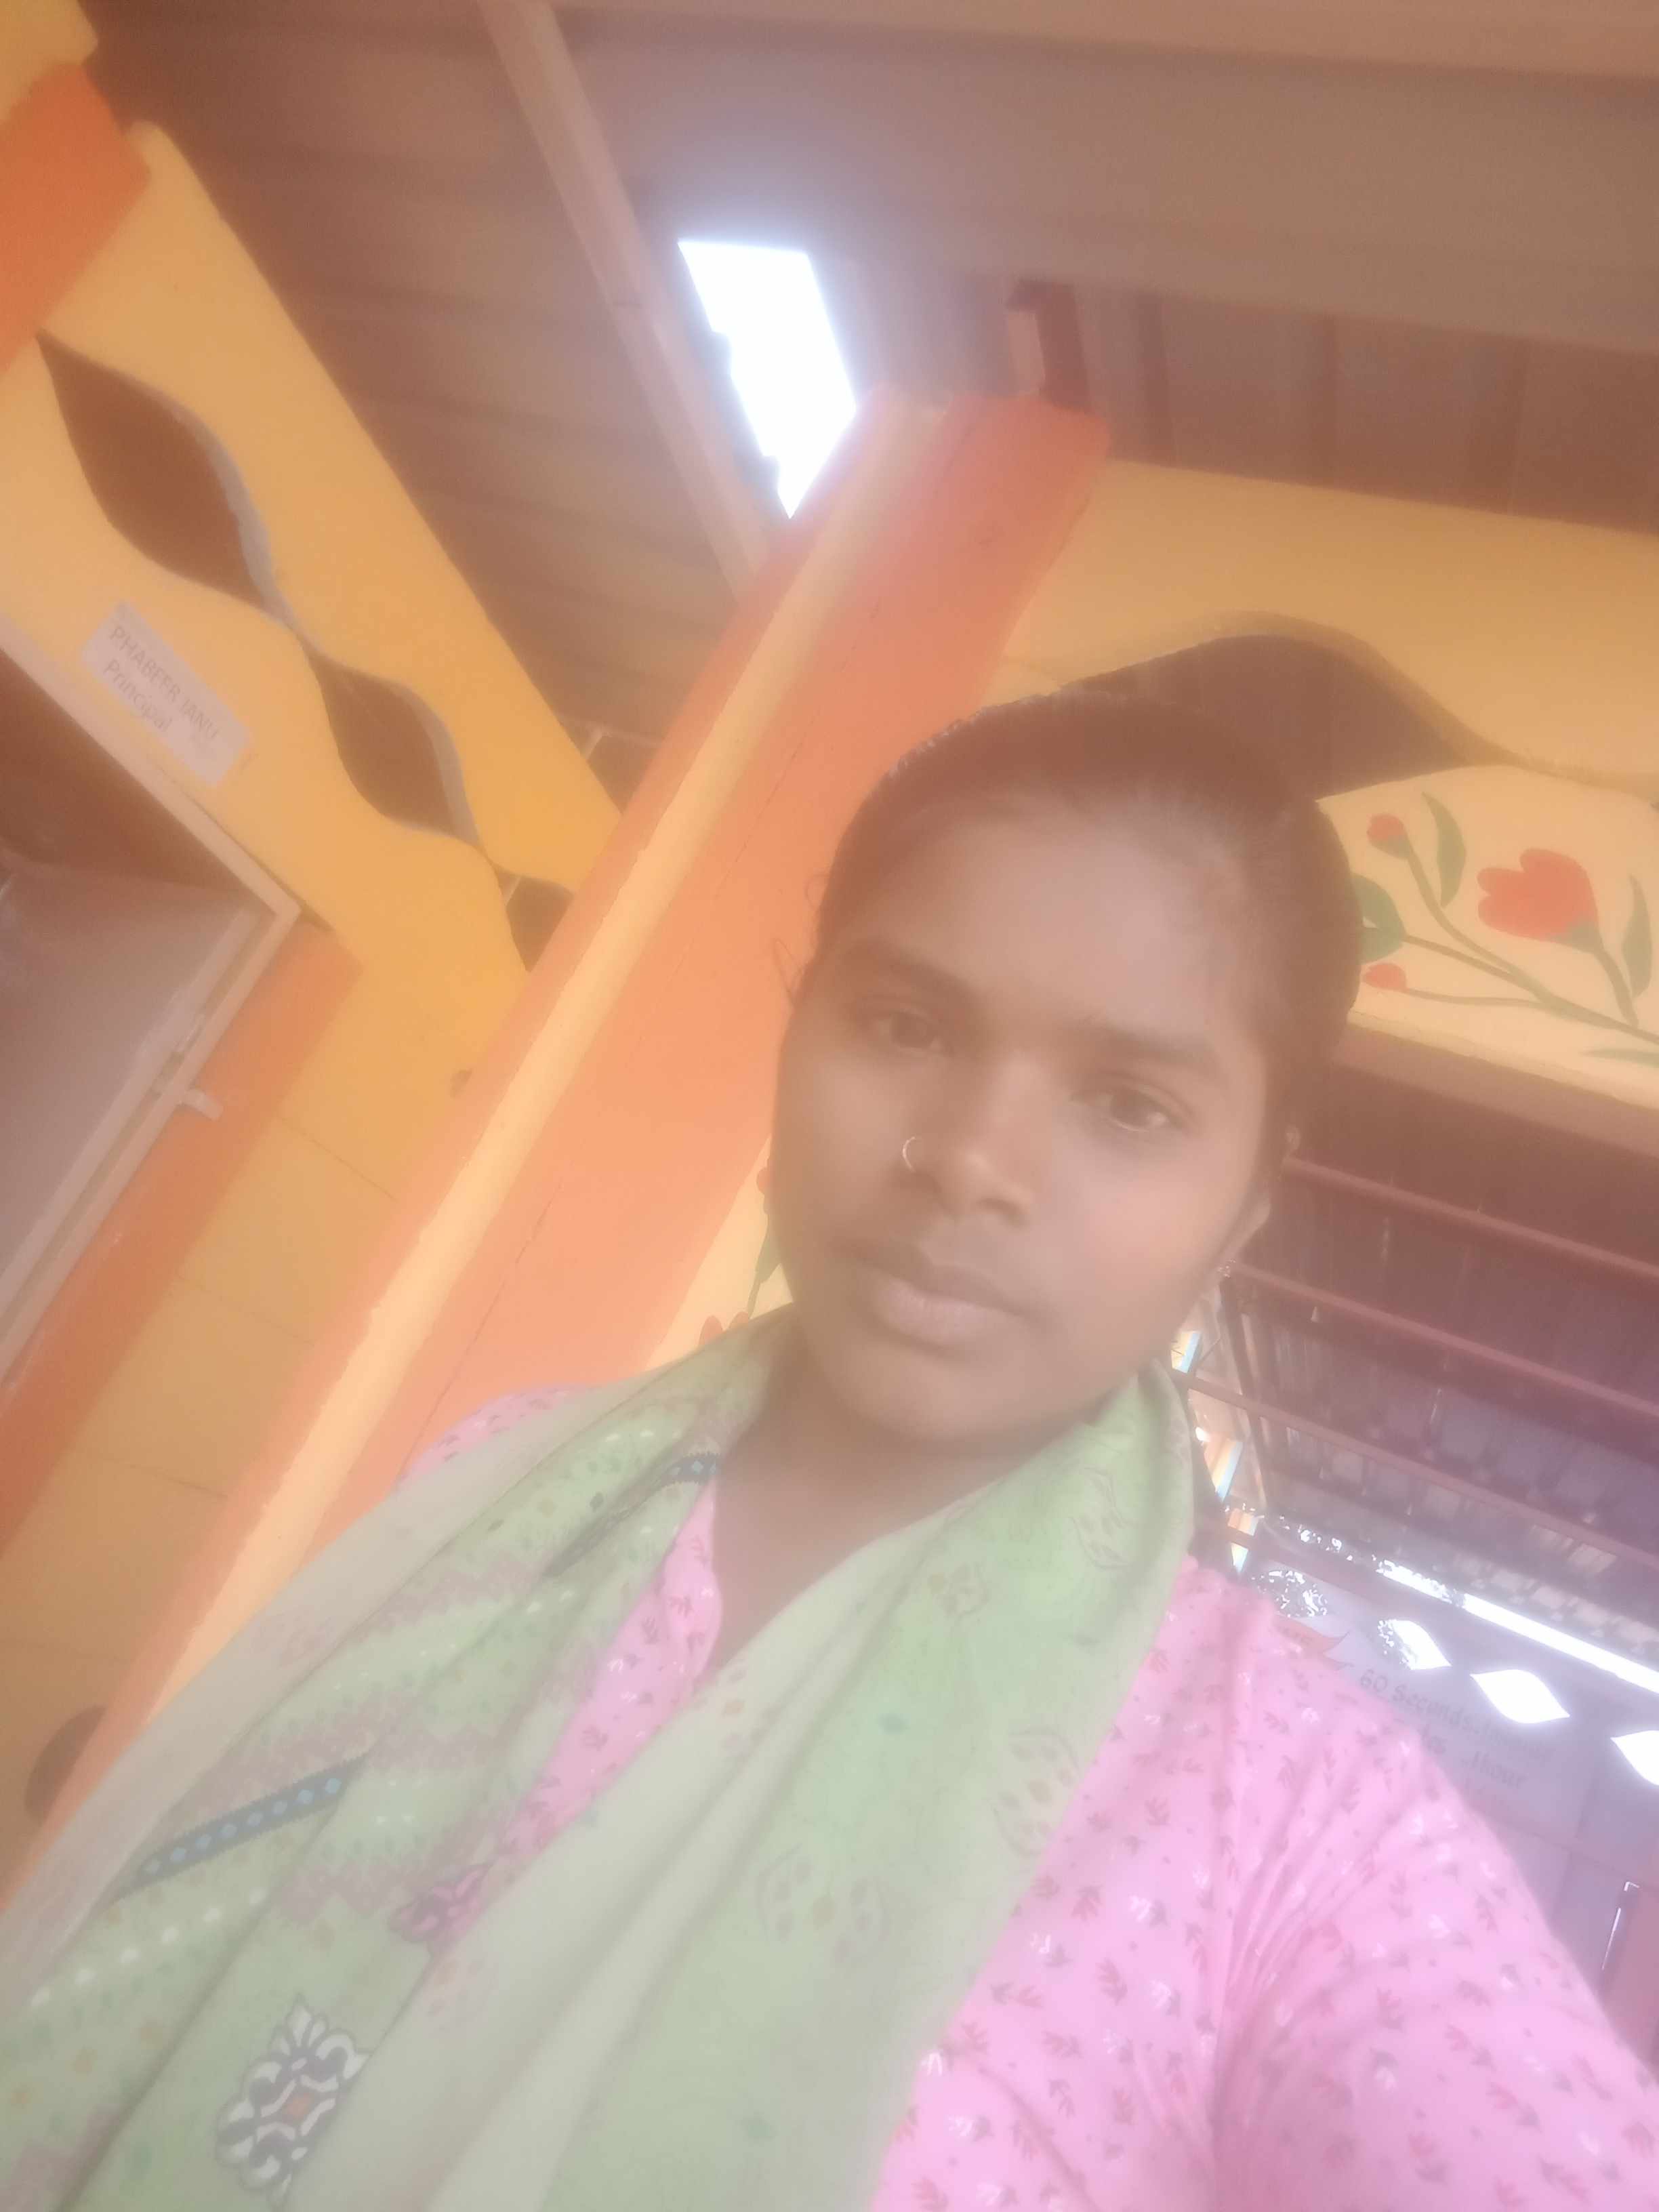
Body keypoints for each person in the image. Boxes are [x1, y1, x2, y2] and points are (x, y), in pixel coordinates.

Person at [2, 692, 1655, 2211]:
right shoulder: (497, 1478)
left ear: (1244, 1210)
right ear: (801, 1029)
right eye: (908, 1024)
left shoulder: (1291, 1815)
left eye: (1131, 1105)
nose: (972, 1160)